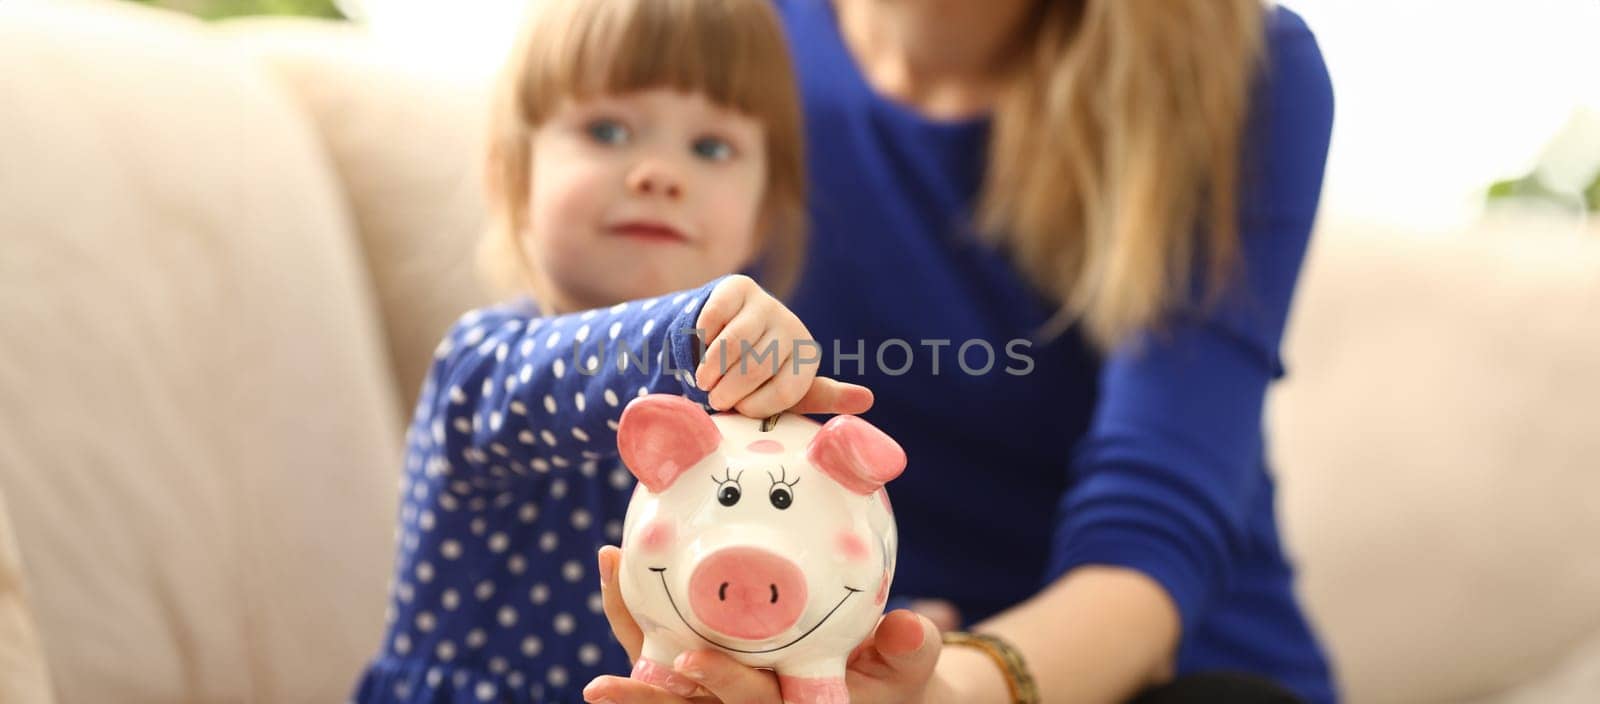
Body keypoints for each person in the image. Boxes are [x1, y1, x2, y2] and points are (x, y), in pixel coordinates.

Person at [583, 0, 1338, 703]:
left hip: (1152, 672)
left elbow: (1154, 522)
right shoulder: (707, 28)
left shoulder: (1246, 64)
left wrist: (939, 689)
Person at [348, 1, 875, 701]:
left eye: (712, 147)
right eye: (608, 130)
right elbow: (558, 381)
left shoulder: (753, 422)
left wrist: (857, 625)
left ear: (762, 216)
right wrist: (690, 330)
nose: (660, 174)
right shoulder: (479, 366)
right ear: (513, 174)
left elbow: (789, 552)